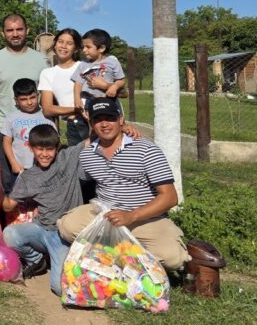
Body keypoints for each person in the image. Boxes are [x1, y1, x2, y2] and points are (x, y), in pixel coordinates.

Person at [57, 98, 190, 271]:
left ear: (121, 120)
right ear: (91, 124)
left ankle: (117, 253)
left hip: (145, 219)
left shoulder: (146, 149)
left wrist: (131, 216)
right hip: (105, 215)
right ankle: (118, 254)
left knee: (173, 258)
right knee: (67, 226)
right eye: (98, 119)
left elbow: (170, 197)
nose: (104, 124)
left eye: (110, 118)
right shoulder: (88, 155)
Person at [2, 125, 84, 295]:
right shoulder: (28, 177)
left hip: (64, 234)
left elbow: (92, 139)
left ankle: (60, 259)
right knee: (10, 234)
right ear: (30, 148)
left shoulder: (68, 157)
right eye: (40, 149)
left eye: (49, 149)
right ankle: (37, 260)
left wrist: (123, 127)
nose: (45, 154)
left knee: (59, 288)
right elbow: (8, 205)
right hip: (42, 229)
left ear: (57, 148)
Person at [0, 14, 48, 190]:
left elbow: (49, 98)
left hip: (37, 129)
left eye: (19, 29)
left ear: (27, 30)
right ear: (2, 33)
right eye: (10, 30)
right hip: (5, 130)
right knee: (6, 183)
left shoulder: (42, 60)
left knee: (38, 181)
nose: (15, 34)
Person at [38, 28, 89, 146]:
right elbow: (47, 109)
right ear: (55, 44)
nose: (64, 46)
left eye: (69, 43)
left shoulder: (84, 67)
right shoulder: (47, 73)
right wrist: (78, 109)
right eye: (60, 41)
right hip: (73, 126)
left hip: (95, 121)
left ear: (76, 48)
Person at [72, 28, 126, 116]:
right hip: (89, 100)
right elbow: (78, 84)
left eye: (88, 47)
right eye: (83, 47)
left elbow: (121, 80)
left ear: (101, 48)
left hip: (109, 98)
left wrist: (115, 86)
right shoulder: (83, 64)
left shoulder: (112, 62)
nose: (84, 50)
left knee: (114, 120)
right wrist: (77, 99)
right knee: (91, 121)